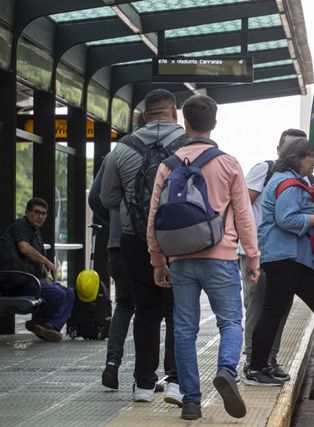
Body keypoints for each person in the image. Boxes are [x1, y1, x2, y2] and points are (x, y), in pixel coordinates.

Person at [147, 94, 259, 421]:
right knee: (230, 321)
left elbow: (155, 216)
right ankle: (226, 370)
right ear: (214, 123)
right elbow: (243, 215)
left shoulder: (167, 166)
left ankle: (191, 401)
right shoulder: (228, 163)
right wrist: (252, 258)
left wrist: (157, 260)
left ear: (186, 122)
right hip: (221, 258)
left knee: (184, 328)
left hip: (180, 259)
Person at [100, 88, 185, 405]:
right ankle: (176, 382)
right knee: (178, 312)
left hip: (135, 241)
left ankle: (143, 385)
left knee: (146, 311)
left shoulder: (122, 148)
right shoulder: (191, 145)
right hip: (182, 242)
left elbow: (107, 197)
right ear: (174, 112)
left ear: (143, 115)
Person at [245, 138, 314, 386]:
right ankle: (255, 369)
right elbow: (286, 219)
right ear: (298, 157)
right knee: (273, 312)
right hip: (283, 258)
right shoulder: (288, 184)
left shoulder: (292, 183)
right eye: (312, 155)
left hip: (296, 259)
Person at [240, 128, 306, 381]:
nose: (292, 154)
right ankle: (252, 360)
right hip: (256, 250)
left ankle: (269, 359)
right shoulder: (263, 170)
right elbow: (241, 206)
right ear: (278, 149)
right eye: (288, 148)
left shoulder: (300, 178)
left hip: (282, 254)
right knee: (257, 305)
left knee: (279, 306)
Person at [88, 152, 135, 389]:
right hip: (151, 247)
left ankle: (111, 365)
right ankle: (145, 377)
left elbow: (95, 198)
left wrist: (116, 222)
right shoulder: (166, 150)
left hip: (117, 246)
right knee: (151, 311)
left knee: (124, 306)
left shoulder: (116, 155)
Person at [3, 198, 74, 342]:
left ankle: (50, 326)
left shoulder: (36, 233)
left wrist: (47, 274)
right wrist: (46, 261)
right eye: (36, 212)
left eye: (44, 213)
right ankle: (36, 324)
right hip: (20, 282)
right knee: (58, 294)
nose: (40, 216)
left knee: (70, 293)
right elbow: (24, 248)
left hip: (33, 280)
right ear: (27, 212)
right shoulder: (20, 226)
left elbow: (37, 260)